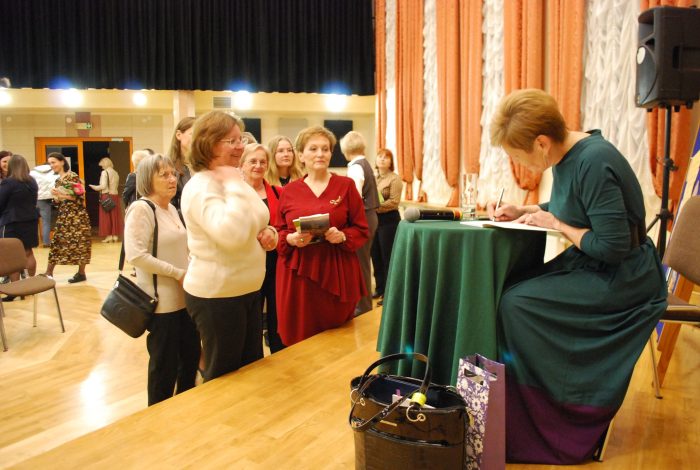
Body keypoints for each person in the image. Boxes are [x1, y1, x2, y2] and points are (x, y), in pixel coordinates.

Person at [486, 89, 667, 464]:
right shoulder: (569, 156)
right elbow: (575, 205)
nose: (518, 163)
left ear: (541, 142)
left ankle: (557, 415)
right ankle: (525, 409)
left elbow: (612, 246)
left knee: (516, 304)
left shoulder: (593, 162)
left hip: (624, 278)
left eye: (517, 155)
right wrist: (525, 209)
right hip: (598, 266)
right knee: (514, 288)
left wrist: (557, 224)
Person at [180, 110, 278, 381]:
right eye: (231, 141)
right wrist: (234, 185)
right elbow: (231, 235)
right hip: (218, 296)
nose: (240, 147)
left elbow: (258, 219)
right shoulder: (202, 186)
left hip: (246, 290)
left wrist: (270, 233)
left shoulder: (235, 180)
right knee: (224, 380)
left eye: (240, 139)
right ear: (209, 143)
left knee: (250, 372)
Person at [275, 126, 369, 346]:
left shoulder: (346, 186)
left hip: (336, 271)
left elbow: (361, 228)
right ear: (301, 155)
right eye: (313, 149)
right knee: (302, 339)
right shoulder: (289, 191)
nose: (320, 154)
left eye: (325, 149)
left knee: (338, 342)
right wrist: (290, 239)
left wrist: (342, 236)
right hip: (299, 275)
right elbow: (279, 232)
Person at [124, 154, 200, 406]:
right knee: (164, 367)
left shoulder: (172, 209)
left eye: (173, 174)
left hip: (185, 298)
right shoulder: (141, 209)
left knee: (190, 359)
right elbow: (136, 255)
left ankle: (185, 408)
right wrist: (178, 273)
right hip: (162, 303)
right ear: (148, 179)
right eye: (164, 175)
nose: (172, 179)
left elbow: (184, 248)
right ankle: (158, 414)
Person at [240, 143, 285, 353]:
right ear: (242, 164)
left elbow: (285, 225)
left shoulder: (278, 192)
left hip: (275, 262)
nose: (258, 166)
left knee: (277, 314)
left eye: (262, 162)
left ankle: (280, 356)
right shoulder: (234, 195)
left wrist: (274, 233)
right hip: (246, 265)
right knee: (251, 317)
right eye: (253, 161)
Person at [340, 131, 378, 316]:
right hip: (370, 216)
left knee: (360, 264)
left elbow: (354, 197)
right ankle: (362, 304)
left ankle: (362, 306)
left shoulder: (355, 167)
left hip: (362, 218)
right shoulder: (365, 164)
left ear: (345, 149)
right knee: (363, 263)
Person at [44, 152, 92, 283]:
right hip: (64, 215)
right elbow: (59, 201)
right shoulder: (58, 180)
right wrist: (56, 196)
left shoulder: (72, 176)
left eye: (53, 162)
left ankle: (81, 273)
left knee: (80, 243)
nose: (51, 165)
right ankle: (49, 272)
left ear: (62, 162)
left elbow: (79, 196)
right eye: (50, 163)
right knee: (57, 242)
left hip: (76, 216)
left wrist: (61, 195)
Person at [0, 155, 39, 300]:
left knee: (12, 256)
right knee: (28, 253)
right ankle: (31, 286)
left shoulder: (8, 182)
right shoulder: (32, 181)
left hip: (12, 221)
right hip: (30, 220)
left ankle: (15, 291)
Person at [370, 149, 403, 305]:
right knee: (375, 255)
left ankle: (389, 293)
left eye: (386, 157)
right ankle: (380, 288)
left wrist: (374, 206)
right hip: (374, 220)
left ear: (391, 162)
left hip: (389, 221)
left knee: (387, 257)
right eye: (380, 156)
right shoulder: (373, 178)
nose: (382, 159)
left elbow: (394, 202)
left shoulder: (395, 179)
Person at [89, 157, 123, 243]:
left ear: (105, 164)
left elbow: (103, 186)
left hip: (106, 196)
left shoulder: (104, 172)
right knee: (114, 216)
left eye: (102, 165)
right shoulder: (116, 173)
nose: (102, 167)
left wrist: (94, 187)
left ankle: (109, 236)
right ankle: (115, 236)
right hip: (115, 196)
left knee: (106, 217)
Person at [167, 117, 195, 209]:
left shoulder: (205, 166)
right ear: (179, 135)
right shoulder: (168, 166)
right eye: (193, 134)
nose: (198, 138)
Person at [30, 161, 59, 247]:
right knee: (47, 221)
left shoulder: (32, 172)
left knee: (36, 221)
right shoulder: (54, 172)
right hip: (49, 198)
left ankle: (35, 242)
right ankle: (48, 242)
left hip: (36, 199)